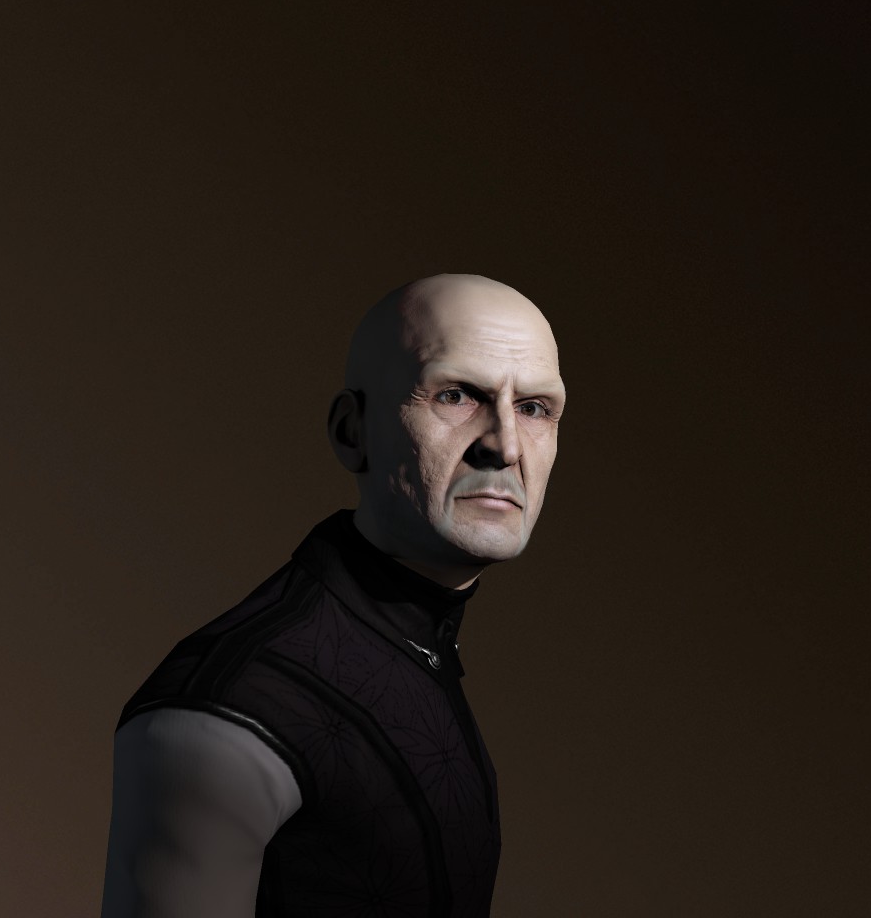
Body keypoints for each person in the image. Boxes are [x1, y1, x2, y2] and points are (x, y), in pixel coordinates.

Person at [100, 273, 567, 918]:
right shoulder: (230, 709)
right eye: (457, 395)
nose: (506, 446)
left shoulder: (414, 649)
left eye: (535, 408)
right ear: (353, 431)